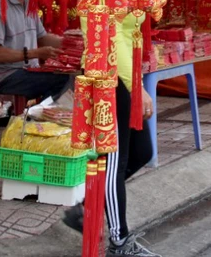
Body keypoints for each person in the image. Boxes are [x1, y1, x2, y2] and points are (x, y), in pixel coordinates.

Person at [63, 14, 158, 257]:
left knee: (142, 151)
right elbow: (111, 39)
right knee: (114, 162)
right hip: (108, 78)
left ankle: (86, 207)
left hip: (124, 77)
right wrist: (136, 87)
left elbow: (127, 36)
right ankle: (120, 242)